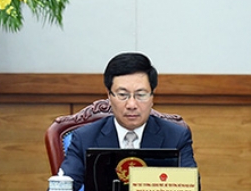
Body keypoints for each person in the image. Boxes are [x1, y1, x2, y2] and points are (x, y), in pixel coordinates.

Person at [59, 52, 198, 190]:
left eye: (141, 95)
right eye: (122, 95)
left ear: (152, 97)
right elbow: (64, 186)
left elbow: (191, 187)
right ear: (109, 96)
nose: (131, 104)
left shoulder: (176, 137)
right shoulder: (84, 138)